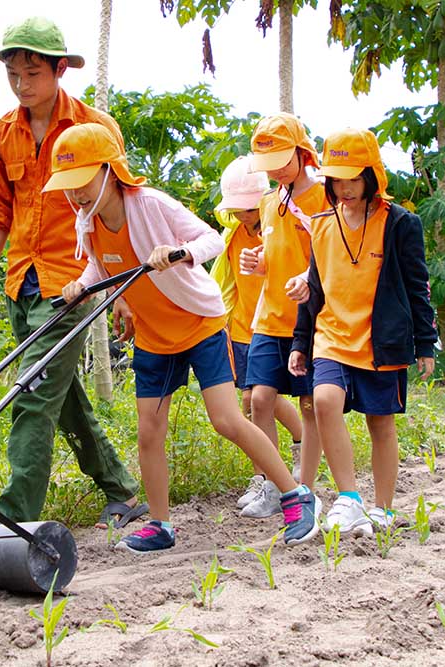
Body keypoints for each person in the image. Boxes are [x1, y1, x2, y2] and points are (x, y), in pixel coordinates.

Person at [46, 122, 322, 553]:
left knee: (227, 420)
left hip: (198, 324)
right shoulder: (89, 221)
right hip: (155, 338)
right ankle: (160, 525)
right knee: (148, 433)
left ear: (108, 170)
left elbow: (210, 238)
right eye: (68, 185)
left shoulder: (151, 204)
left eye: (83, 181)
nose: (76, 193)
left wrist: (179, 253)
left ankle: (295, 496)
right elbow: (104, 265)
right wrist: (80, 283)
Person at [0, 17, 145, 531]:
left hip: (73, 284)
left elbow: (117, 209)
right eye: (13, 73)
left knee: (32, 395)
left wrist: (121, 287)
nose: (22, 83)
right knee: (61, 401)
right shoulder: (1, 135)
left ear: (60, 69)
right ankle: (122, 490)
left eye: (32, 71)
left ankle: (12, 522)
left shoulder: (94, 128)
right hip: (23, 283)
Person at [289, 127, 437, 535]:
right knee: (323, 401)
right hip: (332, 335)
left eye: (353, 178)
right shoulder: (321, 225)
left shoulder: (401, 223)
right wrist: (301, 342)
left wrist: (424, 342)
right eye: (336, 179)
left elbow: (416, 285)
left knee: (380, 423)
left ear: (371, 175)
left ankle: (383, 510)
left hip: (380, 340)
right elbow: (314, 290)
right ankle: (349, 498)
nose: (344, 187)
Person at [236, 113, 328, 519]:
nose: (273, 169)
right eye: (266, 162)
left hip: (309, 321)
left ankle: (304, 487)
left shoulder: (324, 197)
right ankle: (275, 485)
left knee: (310, 404)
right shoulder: (269, 202)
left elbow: (333, 255)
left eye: (280, 159)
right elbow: (276, 258)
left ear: (301, 152)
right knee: (259, 399)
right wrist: (258, 262)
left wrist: (308, 277)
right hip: (269, 318)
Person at [208, 156, 304, 500]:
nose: (242, 216)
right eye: (236, 210)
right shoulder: (232, 237)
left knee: (257, 399)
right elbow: (225, 282)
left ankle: (283, 460)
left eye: (248, 209)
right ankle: (267, 473)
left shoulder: (278, 228)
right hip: (241, 329)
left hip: (275, 325)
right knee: (255, 401)